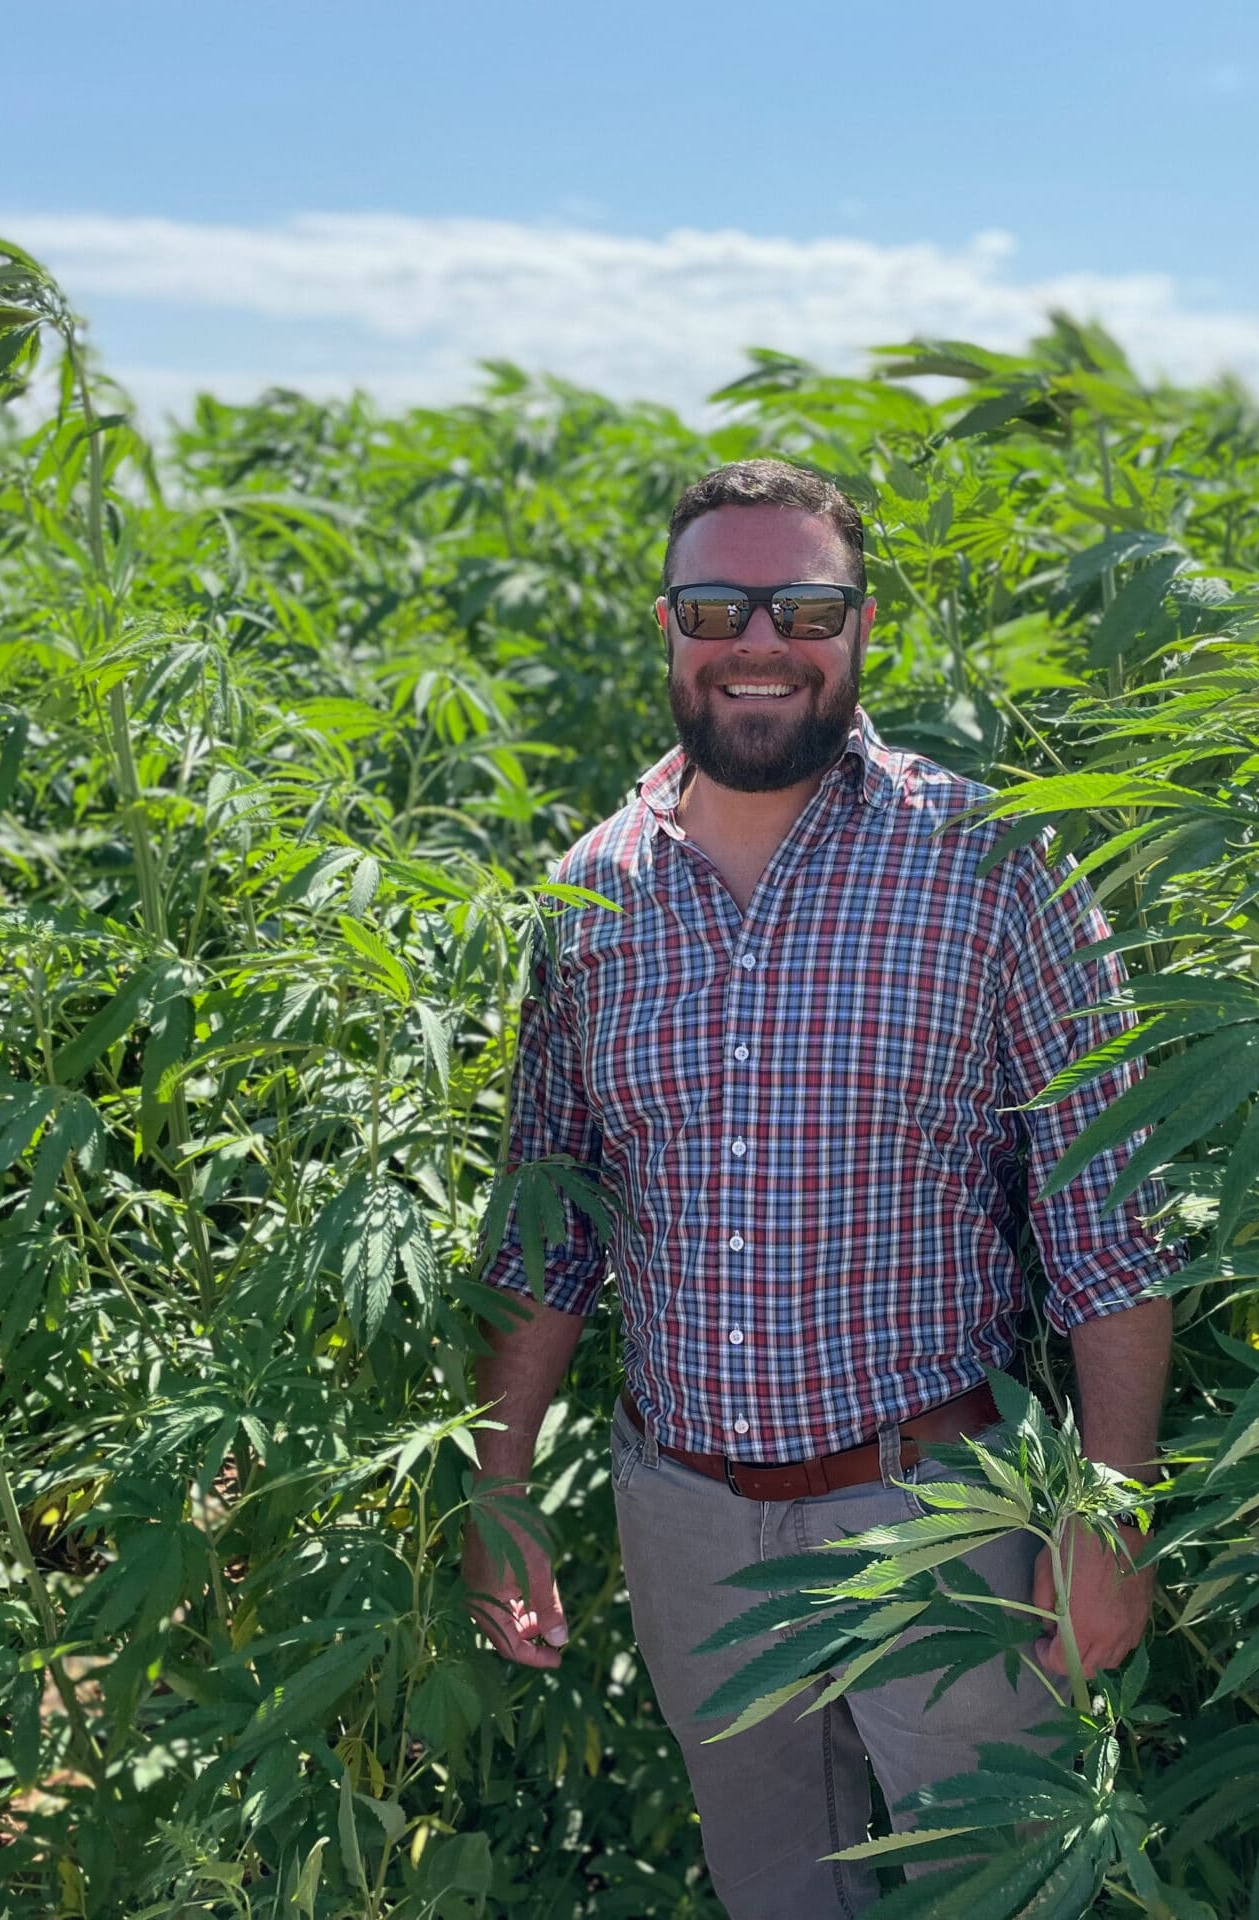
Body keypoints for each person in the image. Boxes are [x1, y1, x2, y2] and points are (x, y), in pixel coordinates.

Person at [462, 458, 1176, 1917]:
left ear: (862, 629)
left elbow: (1106, 1218)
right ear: (665, 627)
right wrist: (501, 1483)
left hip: (938, 1511)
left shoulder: (992, 863)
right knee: (777, 1890)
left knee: (995, 1892)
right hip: (686, 1517)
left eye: (805, 606)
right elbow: (548, 1231)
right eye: (718, 605)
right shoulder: (590, 894)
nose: (761, 643)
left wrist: (1111, 1513)